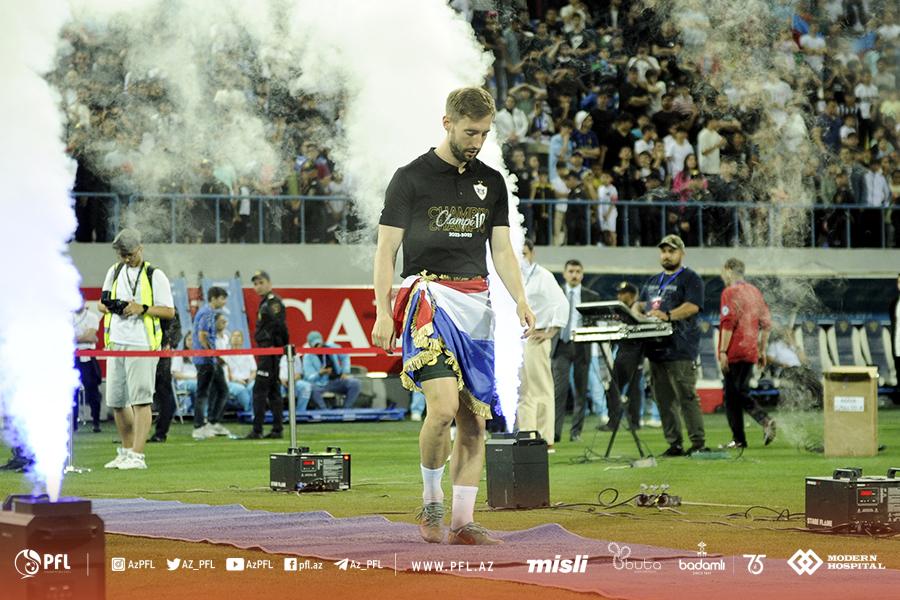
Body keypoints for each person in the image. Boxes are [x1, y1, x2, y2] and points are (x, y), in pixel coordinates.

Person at [371, 87, 535, 546]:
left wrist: (520, 299)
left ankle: (463, 522)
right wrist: (382, 310)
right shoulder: (410, 177)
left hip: (476, 304)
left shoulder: (492, 181)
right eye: (469, 132)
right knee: (442, 408)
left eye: (484, 133)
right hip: (429, 300)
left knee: (474, 421)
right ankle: (431, 502)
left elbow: (501, 250)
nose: (477, 142)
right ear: (447, 123)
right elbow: (385, 250)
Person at [99, 228, 175, 470]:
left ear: (140, 248)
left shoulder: (155, 275)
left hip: (142, 344)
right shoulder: (114, 271)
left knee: (141, 400)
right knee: (117, 400)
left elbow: (169, 311)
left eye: (129, 254)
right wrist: (115, 307)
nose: (126, 259)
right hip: (115, 342)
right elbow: (101, 304)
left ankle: (138, 455)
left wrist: (141, 308)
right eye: (122, 255)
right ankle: (126, 451)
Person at [639, 235, 708, 456]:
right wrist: (636, 311)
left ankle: (697, 443)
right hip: (655, 349)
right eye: (664, 251)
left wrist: (667, 315)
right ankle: (674, 444)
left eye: (671, 251)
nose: (667, 255)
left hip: (680, 346)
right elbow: (641, 305)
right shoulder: (652, 281)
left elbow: (693, 306)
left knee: (686, 396)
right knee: (663, 400)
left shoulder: (691, 278)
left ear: (681, 253)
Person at [718, 258, 776, 448]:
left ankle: (762, 422)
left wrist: (723, 351)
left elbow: (728, 323)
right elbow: (766, 323)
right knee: (738, 393)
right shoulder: (754, 291)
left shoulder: (729, 292)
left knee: (733, 395)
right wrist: (761, 350)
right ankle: (740, 439)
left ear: (728, 271)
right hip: (750, 350)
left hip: (735, 349)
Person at [517, 239, 569, 452]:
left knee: (541, 388)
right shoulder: (513, 276)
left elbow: (562, 303)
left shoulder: (542, 276)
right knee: (522, 391)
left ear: (532, 253)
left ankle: (546, 438)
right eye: (517, 253)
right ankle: (526, 435)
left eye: (524, 253)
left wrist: (551, 331)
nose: (521, 258)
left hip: (536, 338)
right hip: (516, 339)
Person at [552, 259, 600, 443]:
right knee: (559, 391)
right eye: (571, 271)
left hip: (582, 345)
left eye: (578, 271)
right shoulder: (555, 293)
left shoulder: (591, 296)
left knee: (581, 391)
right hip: (561, 345)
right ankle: (555, 432)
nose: (574, 275)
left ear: (582, 274)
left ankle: (576, 433)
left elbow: (595, 322)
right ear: (564, 274)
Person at [246, 270, 290, 439]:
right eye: (255, 284)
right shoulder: (266, 302)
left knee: (259, 390)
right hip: (268, 351)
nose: (258, 286)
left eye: (261, 282)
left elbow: (280, 326)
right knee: (273, 391)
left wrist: (277, 347)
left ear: (269, 284)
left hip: (269, 351)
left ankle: (257, 430)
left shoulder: (273, 303)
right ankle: (277, 429)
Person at [600, 282, 645, 433]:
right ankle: (613, 422)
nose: (619, 296)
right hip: (622, 352)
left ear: (631, 295)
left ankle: (635, 422)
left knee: (633, 389)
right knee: (613, 387)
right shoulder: (622, 310)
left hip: (636, 352)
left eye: (622, 293)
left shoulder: (639, 308)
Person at [191, 287, 231, 440]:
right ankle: (198, 427)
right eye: (222, 298)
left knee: (221, 390)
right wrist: (210, 354)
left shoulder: (209, 312)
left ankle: (212, 422)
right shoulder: (207, 313)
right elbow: (202, 336)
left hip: (209, 359)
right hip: (205, 359)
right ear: (213, 298)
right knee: (203, 393)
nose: (224, 302)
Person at [302, 330, 362, 409]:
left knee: (355, 383)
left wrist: (345, 372)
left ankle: (346, 409)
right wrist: (320, 373)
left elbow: (345, 356)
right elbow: (309, 377)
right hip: (320, 384)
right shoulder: (307, 357)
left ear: (322, 341)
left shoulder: (332, 347)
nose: (318, 346)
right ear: (310, 345)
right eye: (315, 345)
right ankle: (324, 412)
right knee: (311, 388)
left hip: (337, 380)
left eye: (319, 343)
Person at [148, 313, 182, 443]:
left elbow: (175, 330)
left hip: (160, 360)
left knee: (164, 397)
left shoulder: (168, 310)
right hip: (152, 356)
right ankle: (157, 433)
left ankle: (160, 433)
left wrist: (168, 343)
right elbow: (176, 331)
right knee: (163, 397)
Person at [73, 297, 102, 432]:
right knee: (72, 392)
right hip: (72, 357)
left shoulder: (92, 317)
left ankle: (96, 422)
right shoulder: (67, 317)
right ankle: (73, 423)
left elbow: (91, 336)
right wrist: (84, 338)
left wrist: (74, 338)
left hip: (88, 356)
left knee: (92, 391)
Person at [224, 330, 256, 413]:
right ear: (230, 339)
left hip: (248, 381)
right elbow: (227, 374)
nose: (236, 338)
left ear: (242, 340)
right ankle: (249, 410)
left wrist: (249, 380)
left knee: (253, 386)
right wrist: (237, 380)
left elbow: (253, 371)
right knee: (241, 389)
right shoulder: (226, 355)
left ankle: (252, 411)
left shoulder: (248, 354)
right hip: (232, 382)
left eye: (238, 336)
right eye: (234, 336)